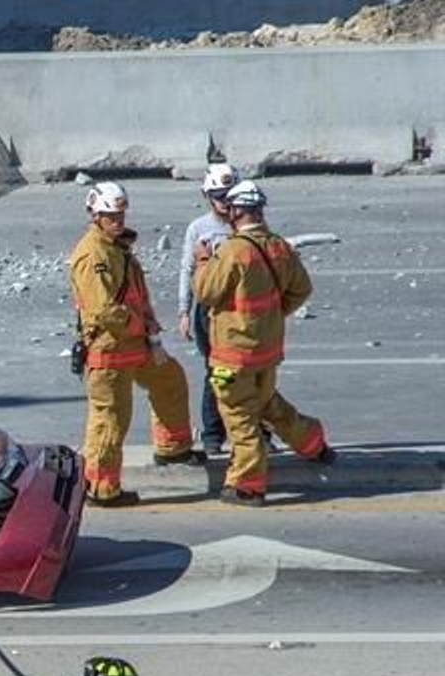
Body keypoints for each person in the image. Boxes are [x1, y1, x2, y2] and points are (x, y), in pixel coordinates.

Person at [193, 180, 335, 506]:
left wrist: (203, 261)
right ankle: (313, 443)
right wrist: (272, 316)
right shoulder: (279, 246)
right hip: (267, 351)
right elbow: (301, 289)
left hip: (232, 356)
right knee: (266, 401)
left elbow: (206, 293)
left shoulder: (232, 250)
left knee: (239, 415)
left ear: (237, 211)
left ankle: (247, 484)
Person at [69, 181, 203, 508]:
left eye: (120, 213)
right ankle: (101, 489)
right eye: (110, 215)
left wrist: (148, 325)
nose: (118, 220)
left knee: (170, 380)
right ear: (95, 215)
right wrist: (141, 325)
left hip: (135, 344)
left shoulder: (116, 248)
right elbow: (104, 310)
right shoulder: (93, 255)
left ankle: (173, 448)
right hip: (110, 350)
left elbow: (133, 295)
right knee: (110, 421)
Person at [177, 164, 240, 455]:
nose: (226, 203)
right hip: (208, 310)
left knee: (250, 371)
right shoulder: (199, 229)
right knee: (216, 370)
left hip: (240, 308)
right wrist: (184, 312)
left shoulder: (246, 223)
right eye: (219, 197)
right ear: (207, 196)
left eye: (230, 195)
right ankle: (213, 434)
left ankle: (257, 431)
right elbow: (187, 271)